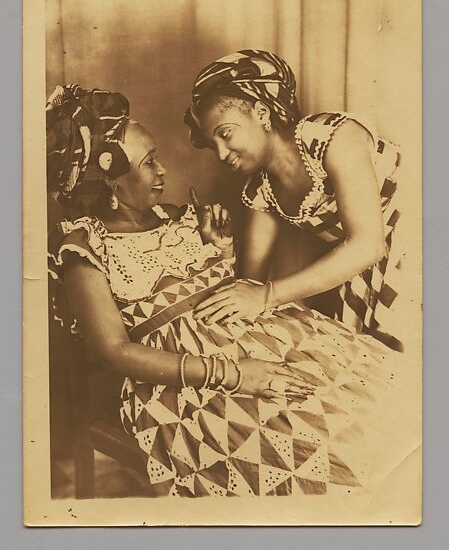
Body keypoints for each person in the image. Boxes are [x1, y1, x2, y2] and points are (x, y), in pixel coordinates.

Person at [48, 84, 401, 498]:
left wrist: (220, 250)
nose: (163, 170)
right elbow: (115, 352)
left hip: (265, 335)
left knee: (388, 396)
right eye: (149, 162)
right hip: (192, 381)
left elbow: (232, 290)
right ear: (111, 182)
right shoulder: (84, 246)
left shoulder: (179, 217)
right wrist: (235, 377)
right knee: (324, 449)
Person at [185, 49, 402, 351]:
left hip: (417, 243)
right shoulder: (260, 191)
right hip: (361, 272)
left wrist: (266, 296)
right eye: (213, 145)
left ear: (261, 113)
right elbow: (250, 288)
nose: (221, 154)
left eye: (226, 134)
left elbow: (368, 245)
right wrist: (222, 249)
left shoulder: (332, 135)